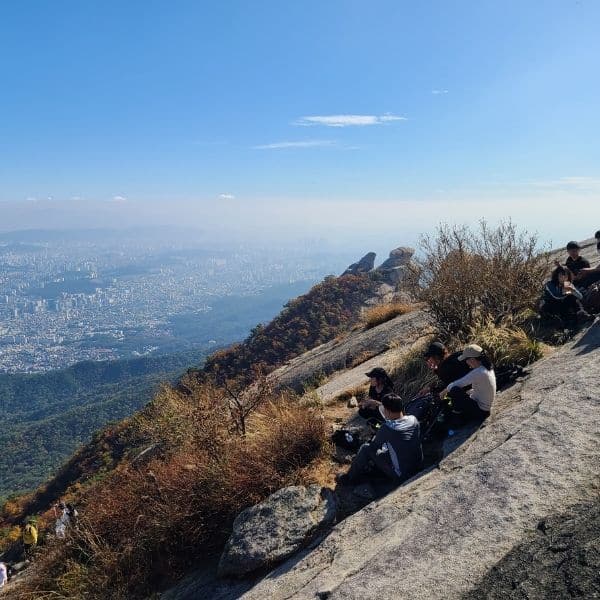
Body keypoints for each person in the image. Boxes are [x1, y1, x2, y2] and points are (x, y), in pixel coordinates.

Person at [340, 393, 423, 486]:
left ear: (387, 411)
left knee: (366, 448)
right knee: (390, 448)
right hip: (418, 465)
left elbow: (373, 448)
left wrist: (378, 433)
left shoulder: (387, 428)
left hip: (401, 474)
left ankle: (349, 478)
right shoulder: (413, 420)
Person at [438, 344, 496, 422]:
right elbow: (484, 388)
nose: (466, 363)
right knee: (464, 393)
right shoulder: (487, 367)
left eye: (466, 360)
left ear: (472, 359)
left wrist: (443, 392)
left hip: (481, 412)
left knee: (455, 390)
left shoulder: (478, 372)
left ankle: (458, 418)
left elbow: (457, 384)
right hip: (485, 407)